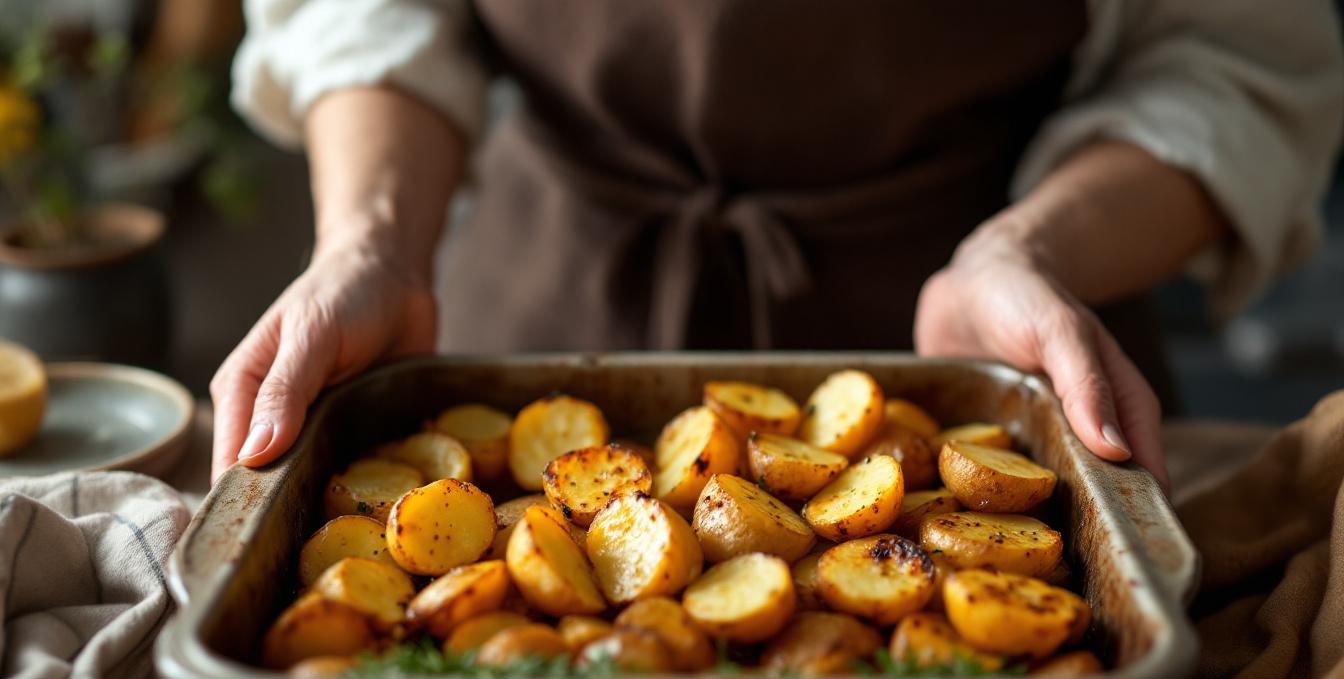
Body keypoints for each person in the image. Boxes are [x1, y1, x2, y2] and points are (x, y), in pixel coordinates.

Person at [211, 0, 1343, 485]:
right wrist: (371, 244)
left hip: (990, 342)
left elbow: (1231, 60)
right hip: (531, 320)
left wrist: (1029, 254)